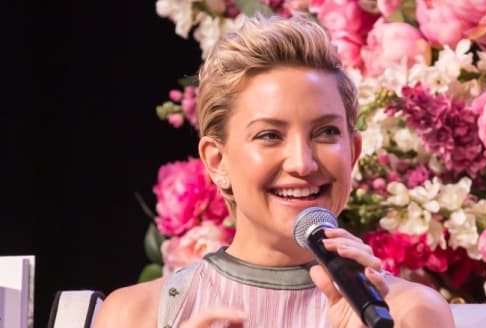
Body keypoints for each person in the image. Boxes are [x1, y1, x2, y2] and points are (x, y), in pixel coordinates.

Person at [94, 14, 455, 328]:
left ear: (354, 151)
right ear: (217, 161)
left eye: (326, 132)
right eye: (269, 135)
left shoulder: (410, 314)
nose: (302, 163)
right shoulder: (135, 315)